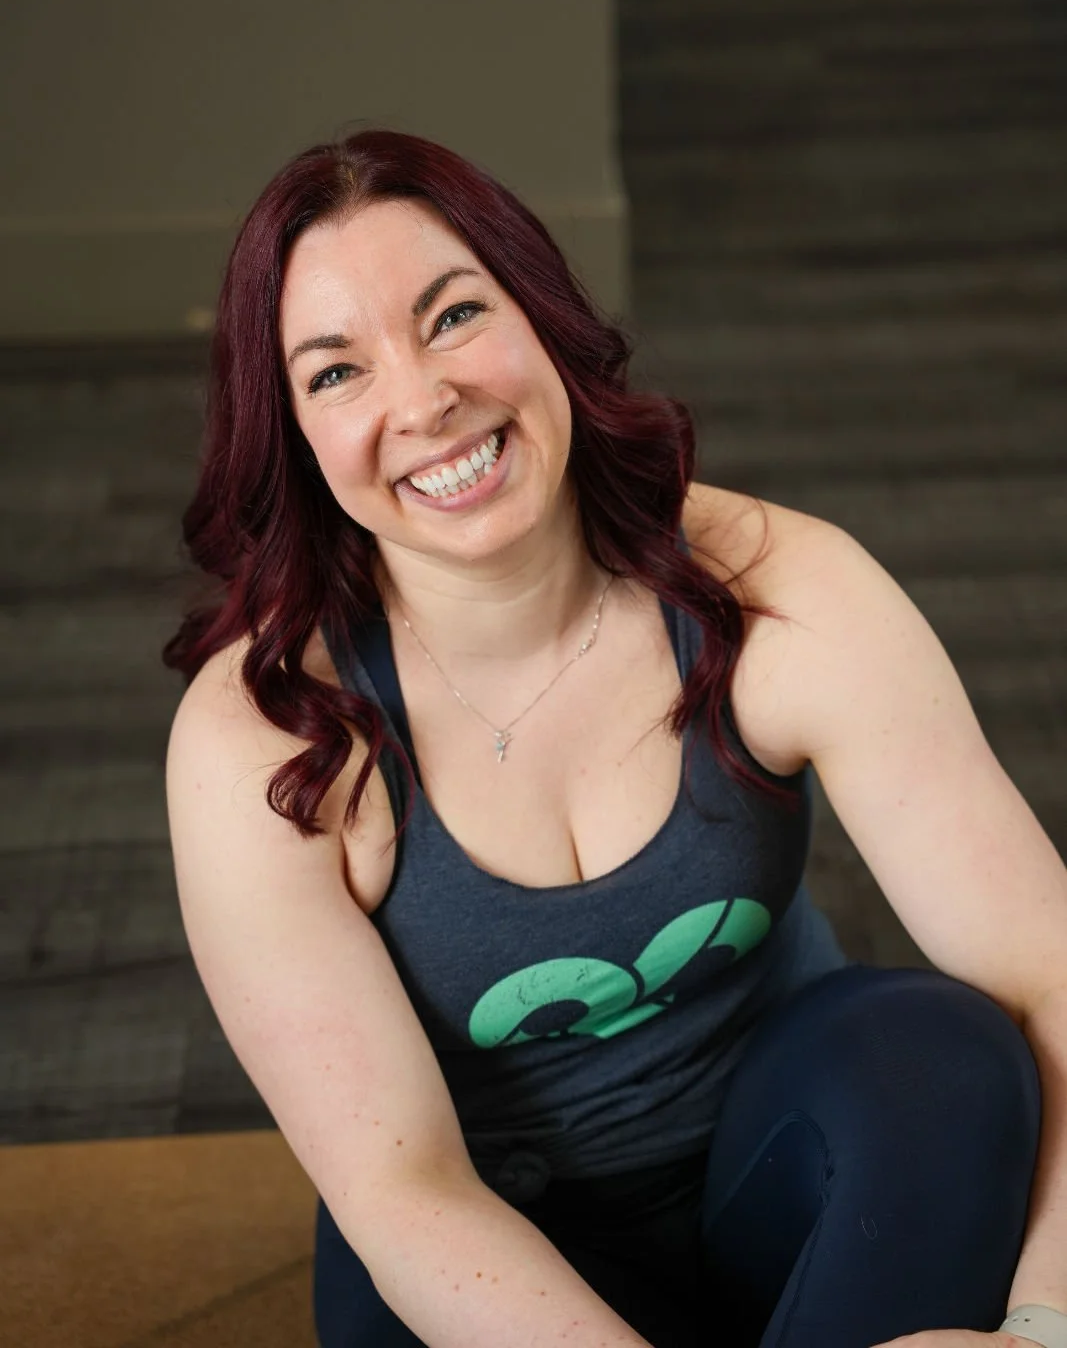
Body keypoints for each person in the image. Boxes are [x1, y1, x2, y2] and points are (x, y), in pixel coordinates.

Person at [163, 128, 1066, 1348]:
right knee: (386, 1291)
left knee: (941, 1053)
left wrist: (1036, 1327)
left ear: (542, 318)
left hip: (796, 1187)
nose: (423, 402)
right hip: (496, 1261)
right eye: (336, 373)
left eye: (452, 316)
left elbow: (1048, 977)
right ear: (294, 435)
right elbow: (402, 1191)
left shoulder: (777, 591)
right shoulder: (263, 739)